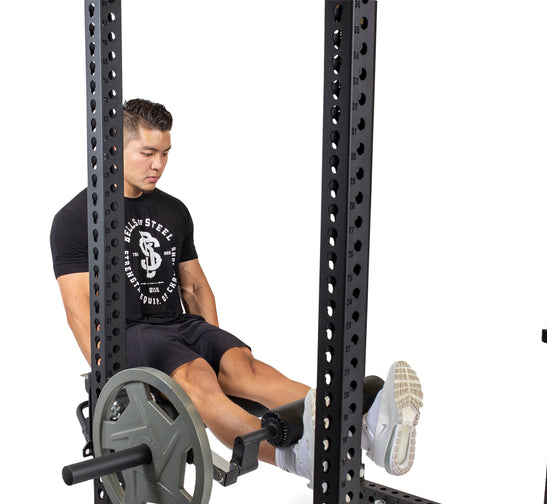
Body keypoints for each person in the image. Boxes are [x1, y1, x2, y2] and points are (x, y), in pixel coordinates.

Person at [50, 98, 423, 481]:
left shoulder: (173, 209)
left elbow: (194, 286)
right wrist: (115, 386)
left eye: (165, 153)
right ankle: (294, 458)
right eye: (147, 153)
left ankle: (362, 429)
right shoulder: (76, 219)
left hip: (177, 324)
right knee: (197, 375)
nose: (158, 165)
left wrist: (214, 346)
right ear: (114, 146)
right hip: (129, 334)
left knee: (244, 368)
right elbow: (80, 311)